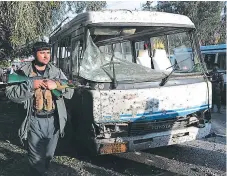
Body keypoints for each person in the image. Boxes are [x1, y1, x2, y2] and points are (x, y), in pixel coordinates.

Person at [5, 42, 74, 176]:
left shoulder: (56, 71)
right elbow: (11, 94)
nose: (45, 56)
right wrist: (30, 85)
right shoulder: (23, 72)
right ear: (34, 54)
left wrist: (57, 84)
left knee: (48, 155)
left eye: (48, 52)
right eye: (42, 52)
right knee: (36, 160)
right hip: (34, 120)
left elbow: (71, 89)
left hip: (54, 121)